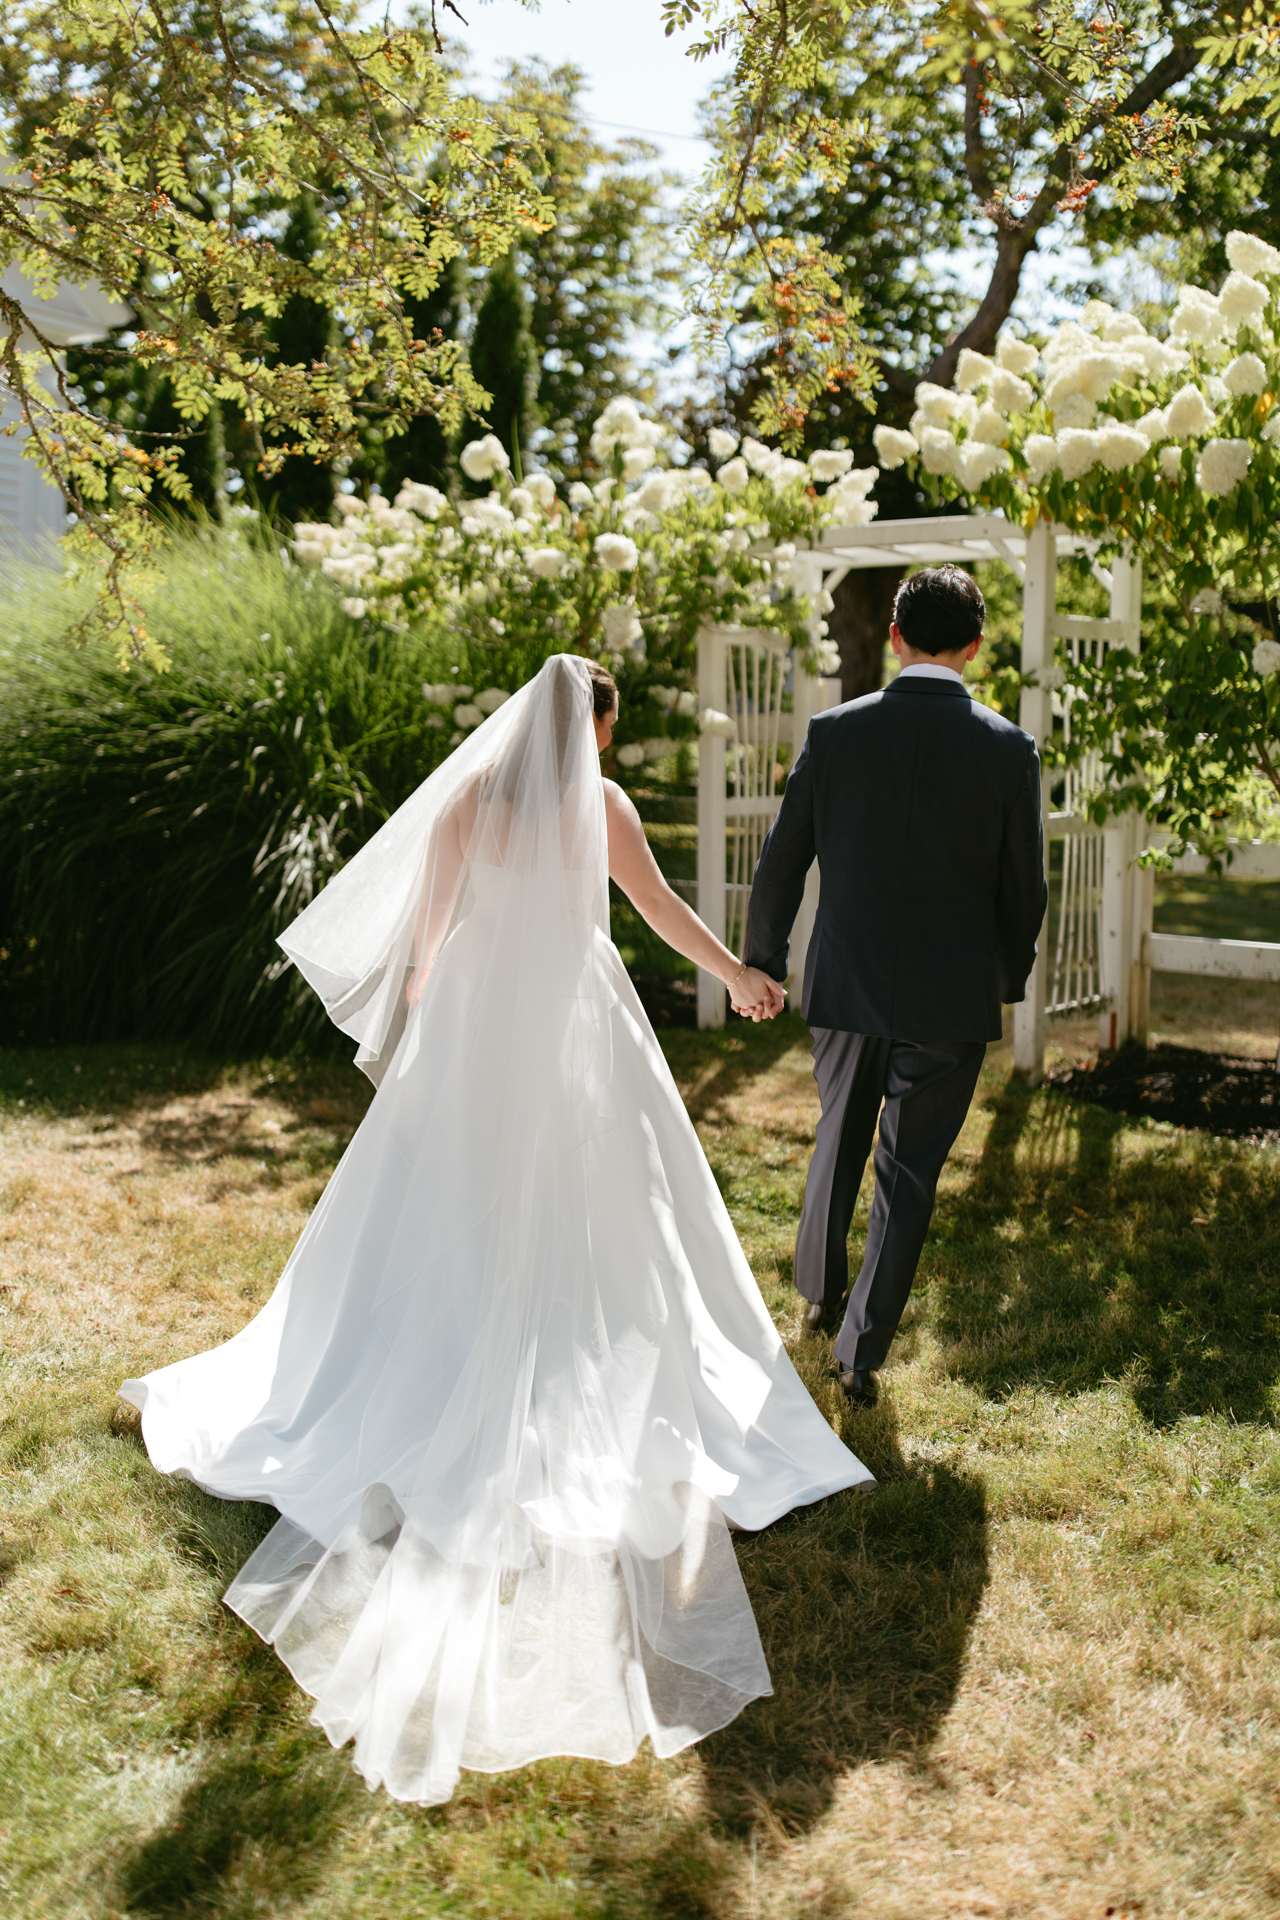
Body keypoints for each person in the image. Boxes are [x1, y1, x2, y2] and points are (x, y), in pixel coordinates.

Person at [121, 654, 872, 1808]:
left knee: (451, 1194)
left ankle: (444, 1331)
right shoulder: (602, 807)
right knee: (601, 1200)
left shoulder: (470, 802)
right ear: (592, 735)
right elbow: (657, 912)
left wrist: (429, 1007)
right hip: (575, 1017)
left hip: (480, 1011)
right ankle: (569, 1341)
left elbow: (427, 935)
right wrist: (736, 975)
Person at [743, 566, 1048, 1407]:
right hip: (951, 996)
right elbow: (1027, 889)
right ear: (976, 649)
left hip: (846, 980)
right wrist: (1004, 976)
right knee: (908, 1173)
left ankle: (817, 1291)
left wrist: (763, 960)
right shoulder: (1007, 748)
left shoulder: (835, 733)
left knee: (838, 1135)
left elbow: (781, 861)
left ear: (894, 638)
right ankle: (860, 1350)